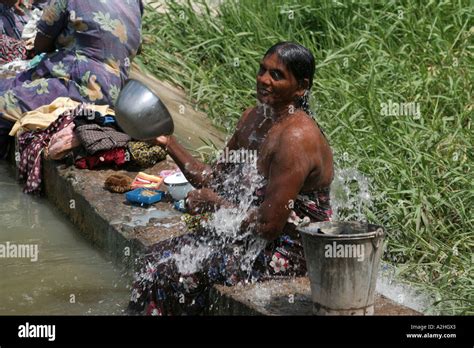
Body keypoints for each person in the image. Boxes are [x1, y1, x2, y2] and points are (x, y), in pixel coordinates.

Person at [128, 42, 334, 315]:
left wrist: (215, 204)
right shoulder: (252, 119)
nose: (264, 79)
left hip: (288, 251)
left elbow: (270, 225)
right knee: (152, 258)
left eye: (277, 75)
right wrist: (168, 142)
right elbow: (214, 180)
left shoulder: (296, 138)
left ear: (301, 87)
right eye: (262, 70)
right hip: (250, 235)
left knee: (174, 274)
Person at [0, 0, 144, 157]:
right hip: (114, 95)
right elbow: (134, 48)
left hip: (77, 86)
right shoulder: (136, 2)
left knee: (3, 105)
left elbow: (41, 43)